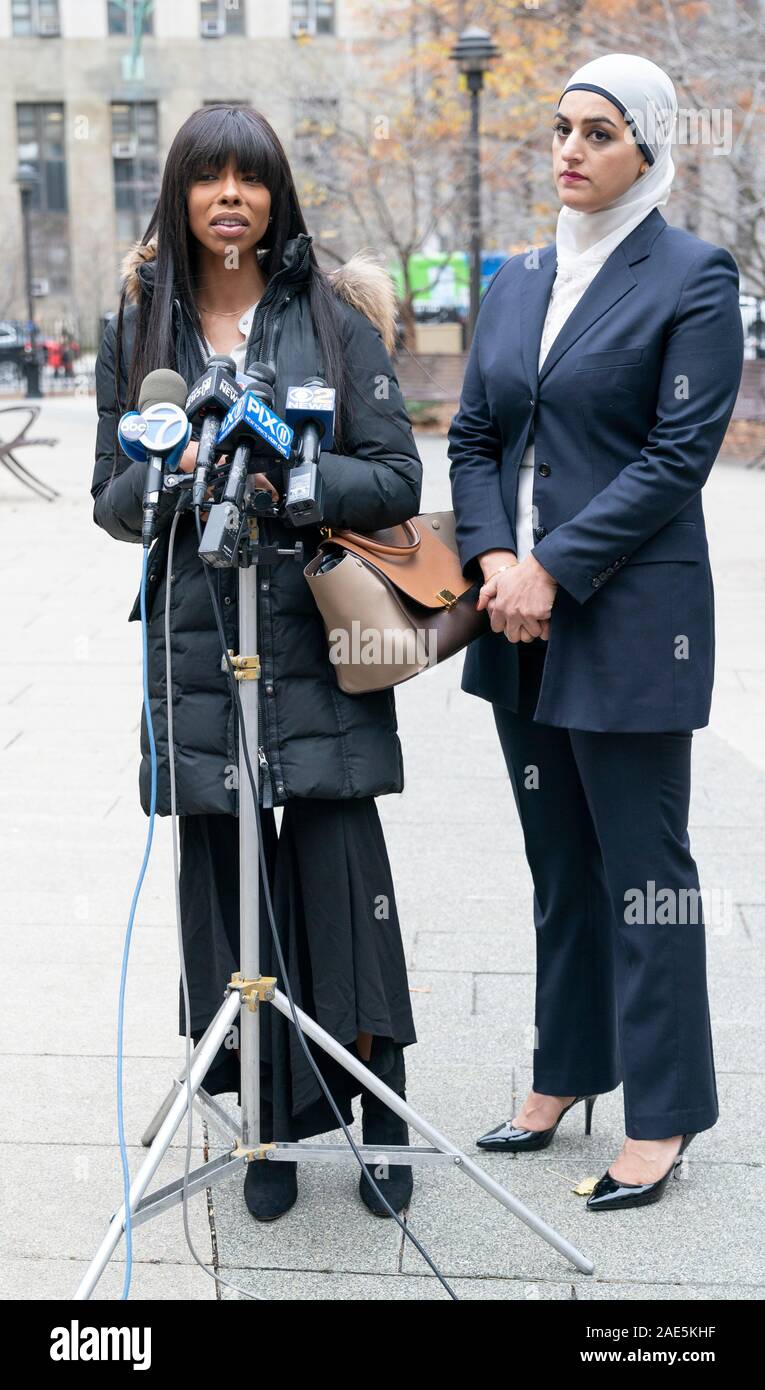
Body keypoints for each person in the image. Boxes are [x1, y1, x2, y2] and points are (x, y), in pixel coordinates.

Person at [91, 104, 423, 1222]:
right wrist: (168, 480)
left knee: (339, 867)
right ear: (180, 195)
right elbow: (108, 497)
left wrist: (305, 488)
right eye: (208, 178)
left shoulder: (331, 316)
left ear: (277, 194)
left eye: (251, 177)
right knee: (225, 887)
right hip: (197, 638)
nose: (230, 195)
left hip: (312, 633)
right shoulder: (139, 323)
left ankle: (382, 1117)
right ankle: (267, 1126)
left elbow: (397, 475)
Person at [448, 54, 744, 1213]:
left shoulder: (693, 276)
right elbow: (473, 434)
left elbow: (679, 457)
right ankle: (566, 1072)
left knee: (645, 871)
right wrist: (494, 562)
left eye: (600, 132)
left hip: (628, 624)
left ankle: (663, 1113)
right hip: (513, 616)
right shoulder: (517, 279)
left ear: (651, 148)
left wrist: (554, 570)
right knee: (557, 861)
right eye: (561, 128)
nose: (570, 148)